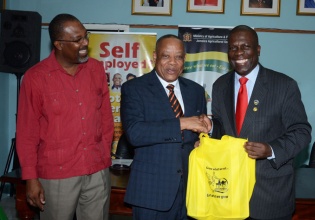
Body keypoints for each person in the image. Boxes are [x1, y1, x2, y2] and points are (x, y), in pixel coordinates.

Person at [16, 13, 114, 220]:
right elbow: (27, 132)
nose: (85, 42)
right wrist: (31, 178)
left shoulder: (96, 69)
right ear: (59, 44)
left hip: (96, 169)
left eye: (85, 36)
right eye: (77, 40)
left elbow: (105, 117)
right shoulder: (36, 77)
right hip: (57, 174)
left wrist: (104, 155)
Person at [211, 25, 311, 220]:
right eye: (233, 47)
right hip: (228, 194)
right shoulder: (220, 85)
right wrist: (209, 131)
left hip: (269, 197)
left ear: (258, 49)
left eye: (245, 46)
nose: (239, 52)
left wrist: (271, 150)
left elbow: (302, 131)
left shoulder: (284, 85)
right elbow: (221, 128)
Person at [121, 34, 212, 220]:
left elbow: (198, 135)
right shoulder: (134, 88)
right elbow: (135, 133)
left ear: (184, 60)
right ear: (155, 56)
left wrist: (203, 138)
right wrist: (183, 122)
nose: (172, 63)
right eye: (166, 56)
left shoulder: (195, 91)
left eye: (178, 57)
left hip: (190, 191)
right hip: (151, 192)